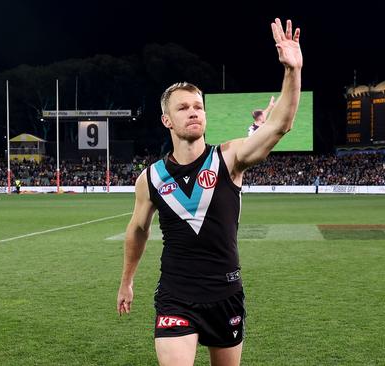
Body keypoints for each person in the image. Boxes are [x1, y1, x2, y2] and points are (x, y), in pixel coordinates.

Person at [117, 18, 302, 366]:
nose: (193, 112)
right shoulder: (151, 178)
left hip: (226, 295)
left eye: (198, 106)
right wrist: (127, 281)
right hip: (176, 296)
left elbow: (280, 125)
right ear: (167, 120)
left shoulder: (229, 158)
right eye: (183, 108)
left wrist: (293, 70)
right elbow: (137, 230)